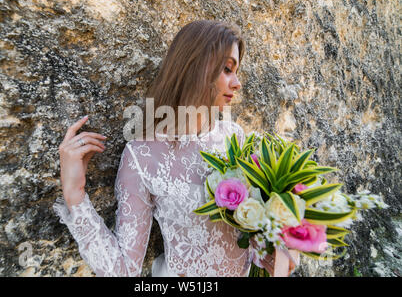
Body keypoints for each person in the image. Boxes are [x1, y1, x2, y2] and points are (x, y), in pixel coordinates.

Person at [53, 20, 299, 277]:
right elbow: (124, 271)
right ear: (194, 66)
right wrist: (75, 193)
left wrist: (266, 252)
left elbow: (243, 232)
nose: (236, 83)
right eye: (227, 68)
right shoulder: (142, 155)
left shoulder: (234, 138)